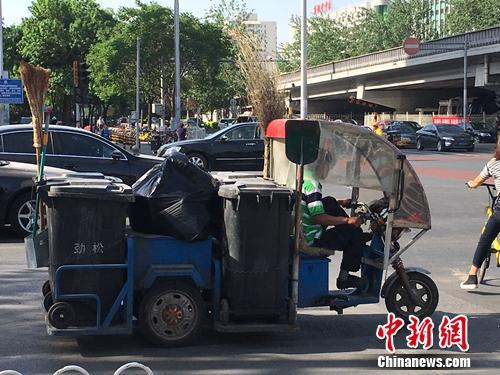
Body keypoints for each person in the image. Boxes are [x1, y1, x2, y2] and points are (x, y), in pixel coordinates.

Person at [302, 149, 367, 290]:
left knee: (330, 201)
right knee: (355, 234)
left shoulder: (303, 176)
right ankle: (344, 278)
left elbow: (313, 204)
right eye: (328, 166)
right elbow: (318, 217)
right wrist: (347, 221)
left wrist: (340, 202)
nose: (329, 169)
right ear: (320, 164)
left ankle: (351, 231)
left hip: (304, 227)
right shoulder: (312, 183)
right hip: (311, 237)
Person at [461, 140, 500, 290]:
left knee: (485, 240)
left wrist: (471, 184)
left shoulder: (494, 163)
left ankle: (472, 276)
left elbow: (477, 181)